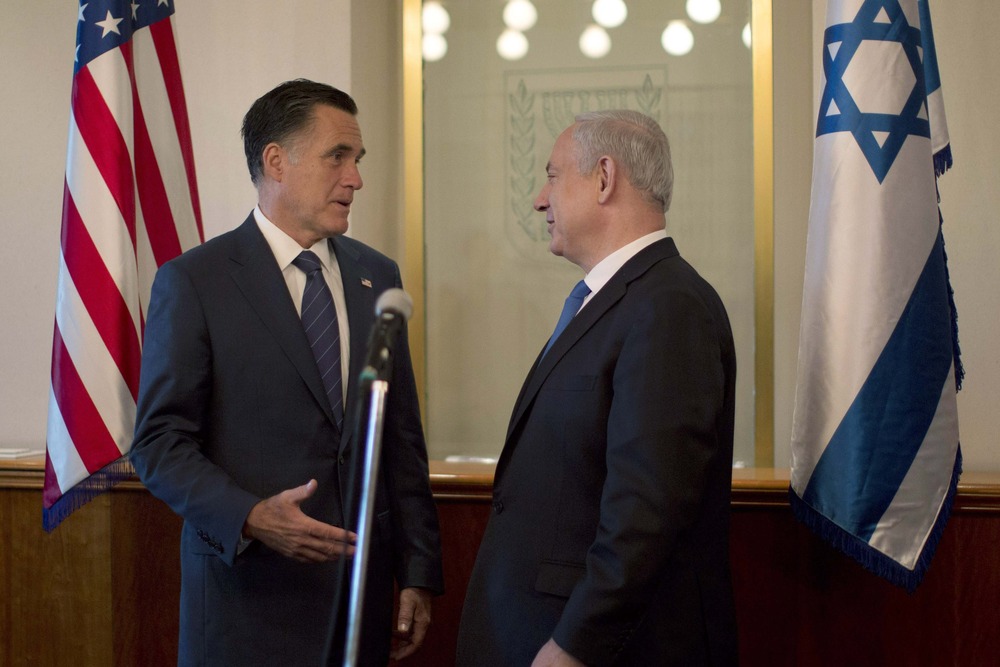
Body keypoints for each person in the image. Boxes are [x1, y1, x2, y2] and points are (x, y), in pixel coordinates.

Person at [130, 79, 443, 666]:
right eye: (337, 157)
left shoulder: (378, 274)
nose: (355, 179)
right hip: (247, 603)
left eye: (358, 160)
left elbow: (399, 436)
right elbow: (158, 443)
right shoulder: (196, 281)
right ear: (276, 159)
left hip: (360, 606)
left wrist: (418, 573)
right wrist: (249, 516)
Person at [456, 110, 739, 666]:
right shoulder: (618, 302)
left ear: (605, 178)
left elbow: (647, 510)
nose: (540, 199)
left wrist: (574, 644)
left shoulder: (668, 307)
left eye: (554, 176)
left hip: (598, 648)